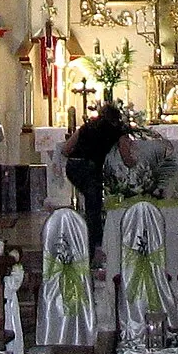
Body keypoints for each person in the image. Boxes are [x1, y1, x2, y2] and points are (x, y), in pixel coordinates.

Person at [63, 100, 129, 256]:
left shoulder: (88, 126)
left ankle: (91, 245)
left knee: (92, 206)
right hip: (90, 169)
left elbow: (66, 149)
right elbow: (127, 158)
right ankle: (93, 249)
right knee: (94, 209)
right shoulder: (117, 130)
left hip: (73, 167)